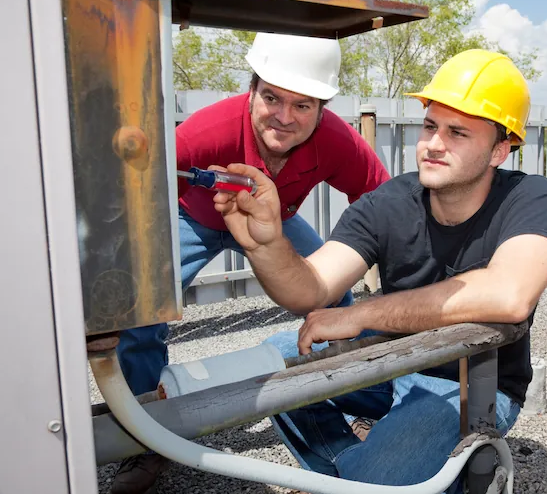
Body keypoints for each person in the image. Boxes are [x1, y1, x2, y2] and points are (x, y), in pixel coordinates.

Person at [212, 48, 547, 493]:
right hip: (392, 366)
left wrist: (359, 314)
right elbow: (310, 289)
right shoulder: (392, 200)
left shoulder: (529, 196)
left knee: (377, 479)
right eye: (430, 126)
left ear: (500, 149)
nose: (433, 144)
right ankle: (354, 470)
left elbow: (509, 295)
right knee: (274, 363)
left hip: (473, 385)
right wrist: (265, 245)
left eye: (457, 132)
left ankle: (370, 474)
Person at [110, 32, 391, 494]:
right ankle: (148, 438)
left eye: (303, 105)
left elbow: (383, 205)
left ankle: (358, 394)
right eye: (272, 98)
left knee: (338, 301)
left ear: (323, 107)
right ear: (252, 89)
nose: (284, 116)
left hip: (273, 223)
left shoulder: (338, 141)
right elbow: (138, 202)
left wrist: (400, 279)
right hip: (196, 216)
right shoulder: (205, 132)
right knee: (139, 308)